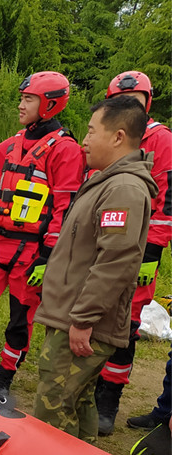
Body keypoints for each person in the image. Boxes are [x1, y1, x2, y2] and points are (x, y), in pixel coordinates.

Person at [33, 95, 157, 443]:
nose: (84, 140)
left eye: (91, 131)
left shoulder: (124, 189)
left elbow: (116, 261)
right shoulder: (107, 180)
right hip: (71, 315)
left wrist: (84, 319)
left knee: (52, 409)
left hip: (82, 321)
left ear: (118, 136)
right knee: (79, 401)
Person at [0, 72, 83, 401]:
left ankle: (4, 377)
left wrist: (48, 255)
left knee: (18, 320)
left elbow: (65, 208)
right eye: (22, 97)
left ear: (50, 104)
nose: (20, 104)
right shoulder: (8, 146)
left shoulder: (65, 150)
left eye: (28, 99)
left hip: (32, 249)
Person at [93, 72, 172, 435]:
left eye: (137, 100)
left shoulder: (163, 140)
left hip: (141, 244)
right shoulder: (106, 132)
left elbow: (167, 199)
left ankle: (108, 400)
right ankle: (88, 388)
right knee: (94, 310)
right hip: (103, 238)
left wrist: (153, 250)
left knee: (127, 324)